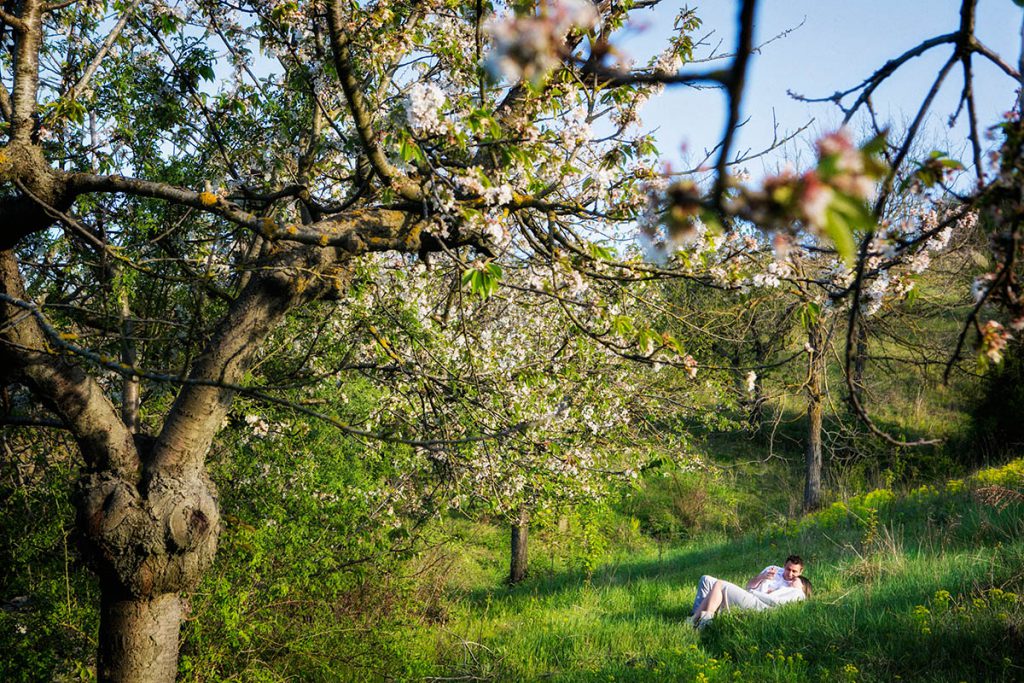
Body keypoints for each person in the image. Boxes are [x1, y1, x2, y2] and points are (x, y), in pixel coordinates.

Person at [688, 555, 809, 627]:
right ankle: (696, 615)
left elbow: (776, 601)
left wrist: (763, 593)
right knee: (706, 579)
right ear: (784, 566)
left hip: (756, 602)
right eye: (788, 569)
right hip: (749, 595)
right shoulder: (773, 570)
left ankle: (700, 621)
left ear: (801, 572)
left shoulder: (796, 586)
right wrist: (762, 577)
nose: (790, 574)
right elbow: (748, 586)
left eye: (795, 572)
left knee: (719, 584)